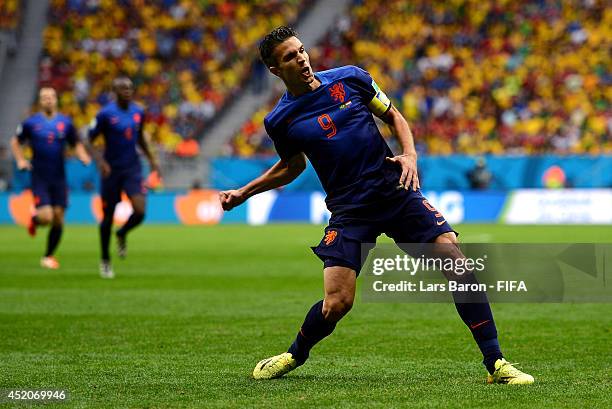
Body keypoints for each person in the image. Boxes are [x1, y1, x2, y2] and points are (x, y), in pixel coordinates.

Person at [219, 27, 534, 385]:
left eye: (302, 50)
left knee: (456, 261)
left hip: (394, 190)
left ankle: (496, 363)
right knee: (337, 303)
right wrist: (245, 192)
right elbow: (292, 167)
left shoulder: (351, 79)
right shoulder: (280, 120)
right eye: (290, 57)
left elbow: (394, 116)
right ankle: (294, 354)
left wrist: (410, 154)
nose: (302, 59)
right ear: (276, 70)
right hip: (350, 209)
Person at [87, 76, 160, 279]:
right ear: (115, 91)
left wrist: (152, 160)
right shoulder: (105, 114)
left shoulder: (138, 112)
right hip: (112, 171)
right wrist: (101, 162)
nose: (128, 90)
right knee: (108, 217)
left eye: (130, 87)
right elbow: (89, 140)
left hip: (132, 169)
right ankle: (105, 260)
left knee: (140, 211)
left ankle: (122, 233)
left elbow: (140, 137)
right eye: (123, 88)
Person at [10, 87, 91, 269]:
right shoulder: (31, 123)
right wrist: (21, 160)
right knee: (46, 217)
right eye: (44, 97)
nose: (48, 100)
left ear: (56, 100)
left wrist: (83, 155)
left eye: (51, 97)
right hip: (40, 177)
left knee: (59, 218)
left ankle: (48, 256)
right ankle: (35, 219)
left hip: (59, 177)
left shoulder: (66, 122)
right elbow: (15, 142)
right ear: (40, 101)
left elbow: (76, 143)